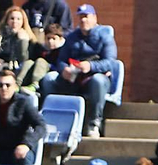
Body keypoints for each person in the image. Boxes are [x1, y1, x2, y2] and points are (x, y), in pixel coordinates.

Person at [45, 3, 116, 136]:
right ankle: (51, 120)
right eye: (81, 17)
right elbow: (61, 60)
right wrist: (64, 69)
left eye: (86, 16)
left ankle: (94, 123)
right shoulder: (72, 37)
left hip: (95, 77)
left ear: (94, 18)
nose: (83, 20)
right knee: (48, 79)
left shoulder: (105, 36)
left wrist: (90, 66)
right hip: (73, 77)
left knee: (98, 81)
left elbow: (110, 62)